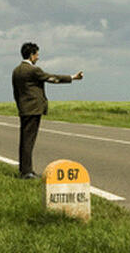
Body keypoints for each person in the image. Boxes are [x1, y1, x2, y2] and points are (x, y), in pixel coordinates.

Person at [12, 42, 83, 179]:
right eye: (37, 54)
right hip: (33, 109)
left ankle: (24, 169)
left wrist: (20, 105)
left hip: (24, 109)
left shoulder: (16, 71)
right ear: (31, 55)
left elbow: (16, 92)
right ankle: (27, 172)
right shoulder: (33, 70)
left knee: (25, 140)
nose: (38, 57)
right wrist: (72, 77)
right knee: (29, 141)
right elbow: (52, 78)